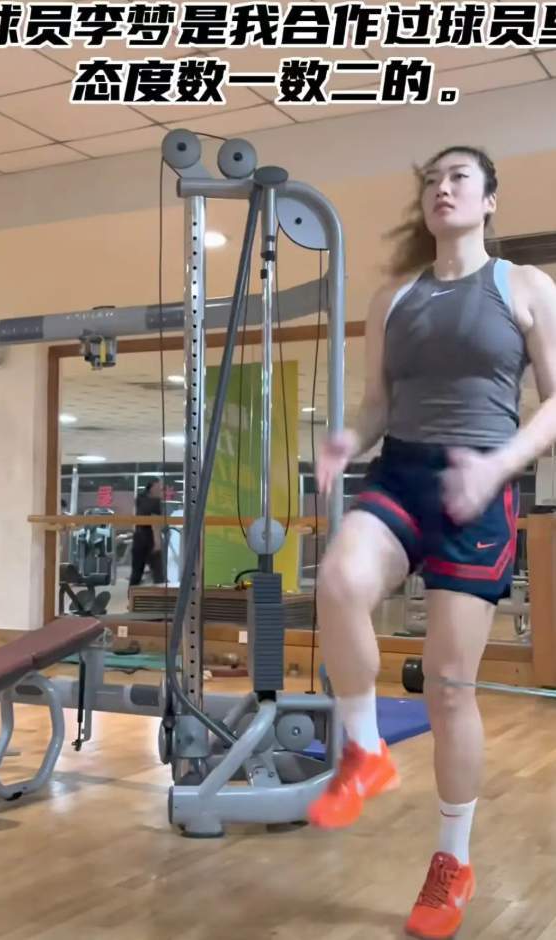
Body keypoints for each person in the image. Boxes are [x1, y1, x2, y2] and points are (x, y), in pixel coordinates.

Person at [307, 145, 556, 939]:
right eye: (430, 180)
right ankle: (364, 750)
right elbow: (378, 403)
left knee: (448, 688)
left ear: (488, 200)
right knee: (337, 582)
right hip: (403, 476)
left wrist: (499, 466)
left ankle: (451, 861)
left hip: (478, 485)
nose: (441, 189)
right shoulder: (393, 297)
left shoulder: (524, 286)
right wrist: (347, 441)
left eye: (457, 178)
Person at [129, 479, 165, 587]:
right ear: (152, 488)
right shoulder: (155, 502)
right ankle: (161, 595)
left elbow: (136, 517)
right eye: (159, 487)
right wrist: (157, 543)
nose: (161, 489)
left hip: (138, 538)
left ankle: (132, 595)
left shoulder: (139, 499)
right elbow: (155, 523)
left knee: (137, 572)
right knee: (158, 574)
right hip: (150, 539)